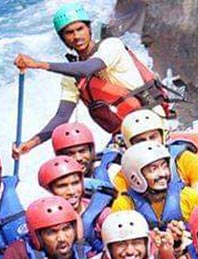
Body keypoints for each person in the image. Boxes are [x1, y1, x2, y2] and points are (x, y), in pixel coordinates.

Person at [12, 3, 173, 158]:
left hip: (151, 120)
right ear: (63, 38)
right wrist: (30, 144)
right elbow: (61, 117)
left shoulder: (112, 46)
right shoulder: (71, 77)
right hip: (124, 132)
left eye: (80, 29)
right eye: (69, 32)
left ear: (89, 29)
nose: (76, 36)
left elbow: (88, 68)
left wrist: (39, 64)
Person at [117, 109, 198, 200]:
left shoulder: (187, 160)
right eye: (141, 141)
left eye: (153, 137)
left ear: (163, 137)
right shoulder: (124, 174)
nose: (149, 143)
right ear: (129, 145)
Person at [112, 140, 198, 230]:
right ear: (135, 176)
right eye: (153, 170)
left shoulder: (189, 197)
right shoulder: (124, 205)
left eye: (164, 166)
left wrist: (181, 236)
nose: (162, 174)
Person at [38, 155, 113, 252]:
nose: (71, 191)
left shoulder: (103, 215)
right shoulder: (46, 218)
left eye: (75, 183)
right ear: (50, 190)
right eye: (62, 186)